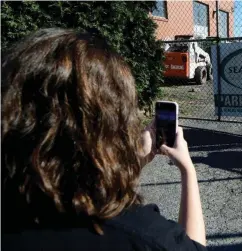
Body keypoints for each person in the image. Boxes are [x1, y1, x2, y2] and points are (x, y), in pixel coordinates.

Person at [2, 28, 206, 251]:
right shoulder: (142, 236)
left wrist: (134, 161)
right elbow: (194, 246)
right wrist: (188, 170)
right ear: (113, 126)